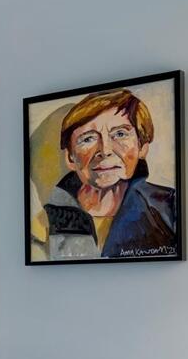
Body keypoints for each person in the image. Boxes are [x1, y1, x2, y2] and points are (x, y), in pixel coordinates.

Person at [40, 88, 177, 259]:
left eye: (120, 134)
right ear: (70, 158)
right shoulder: (41, 225)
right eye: (88, 138)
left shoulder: (170, 208)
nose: (105, 150)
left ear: (142, 147)